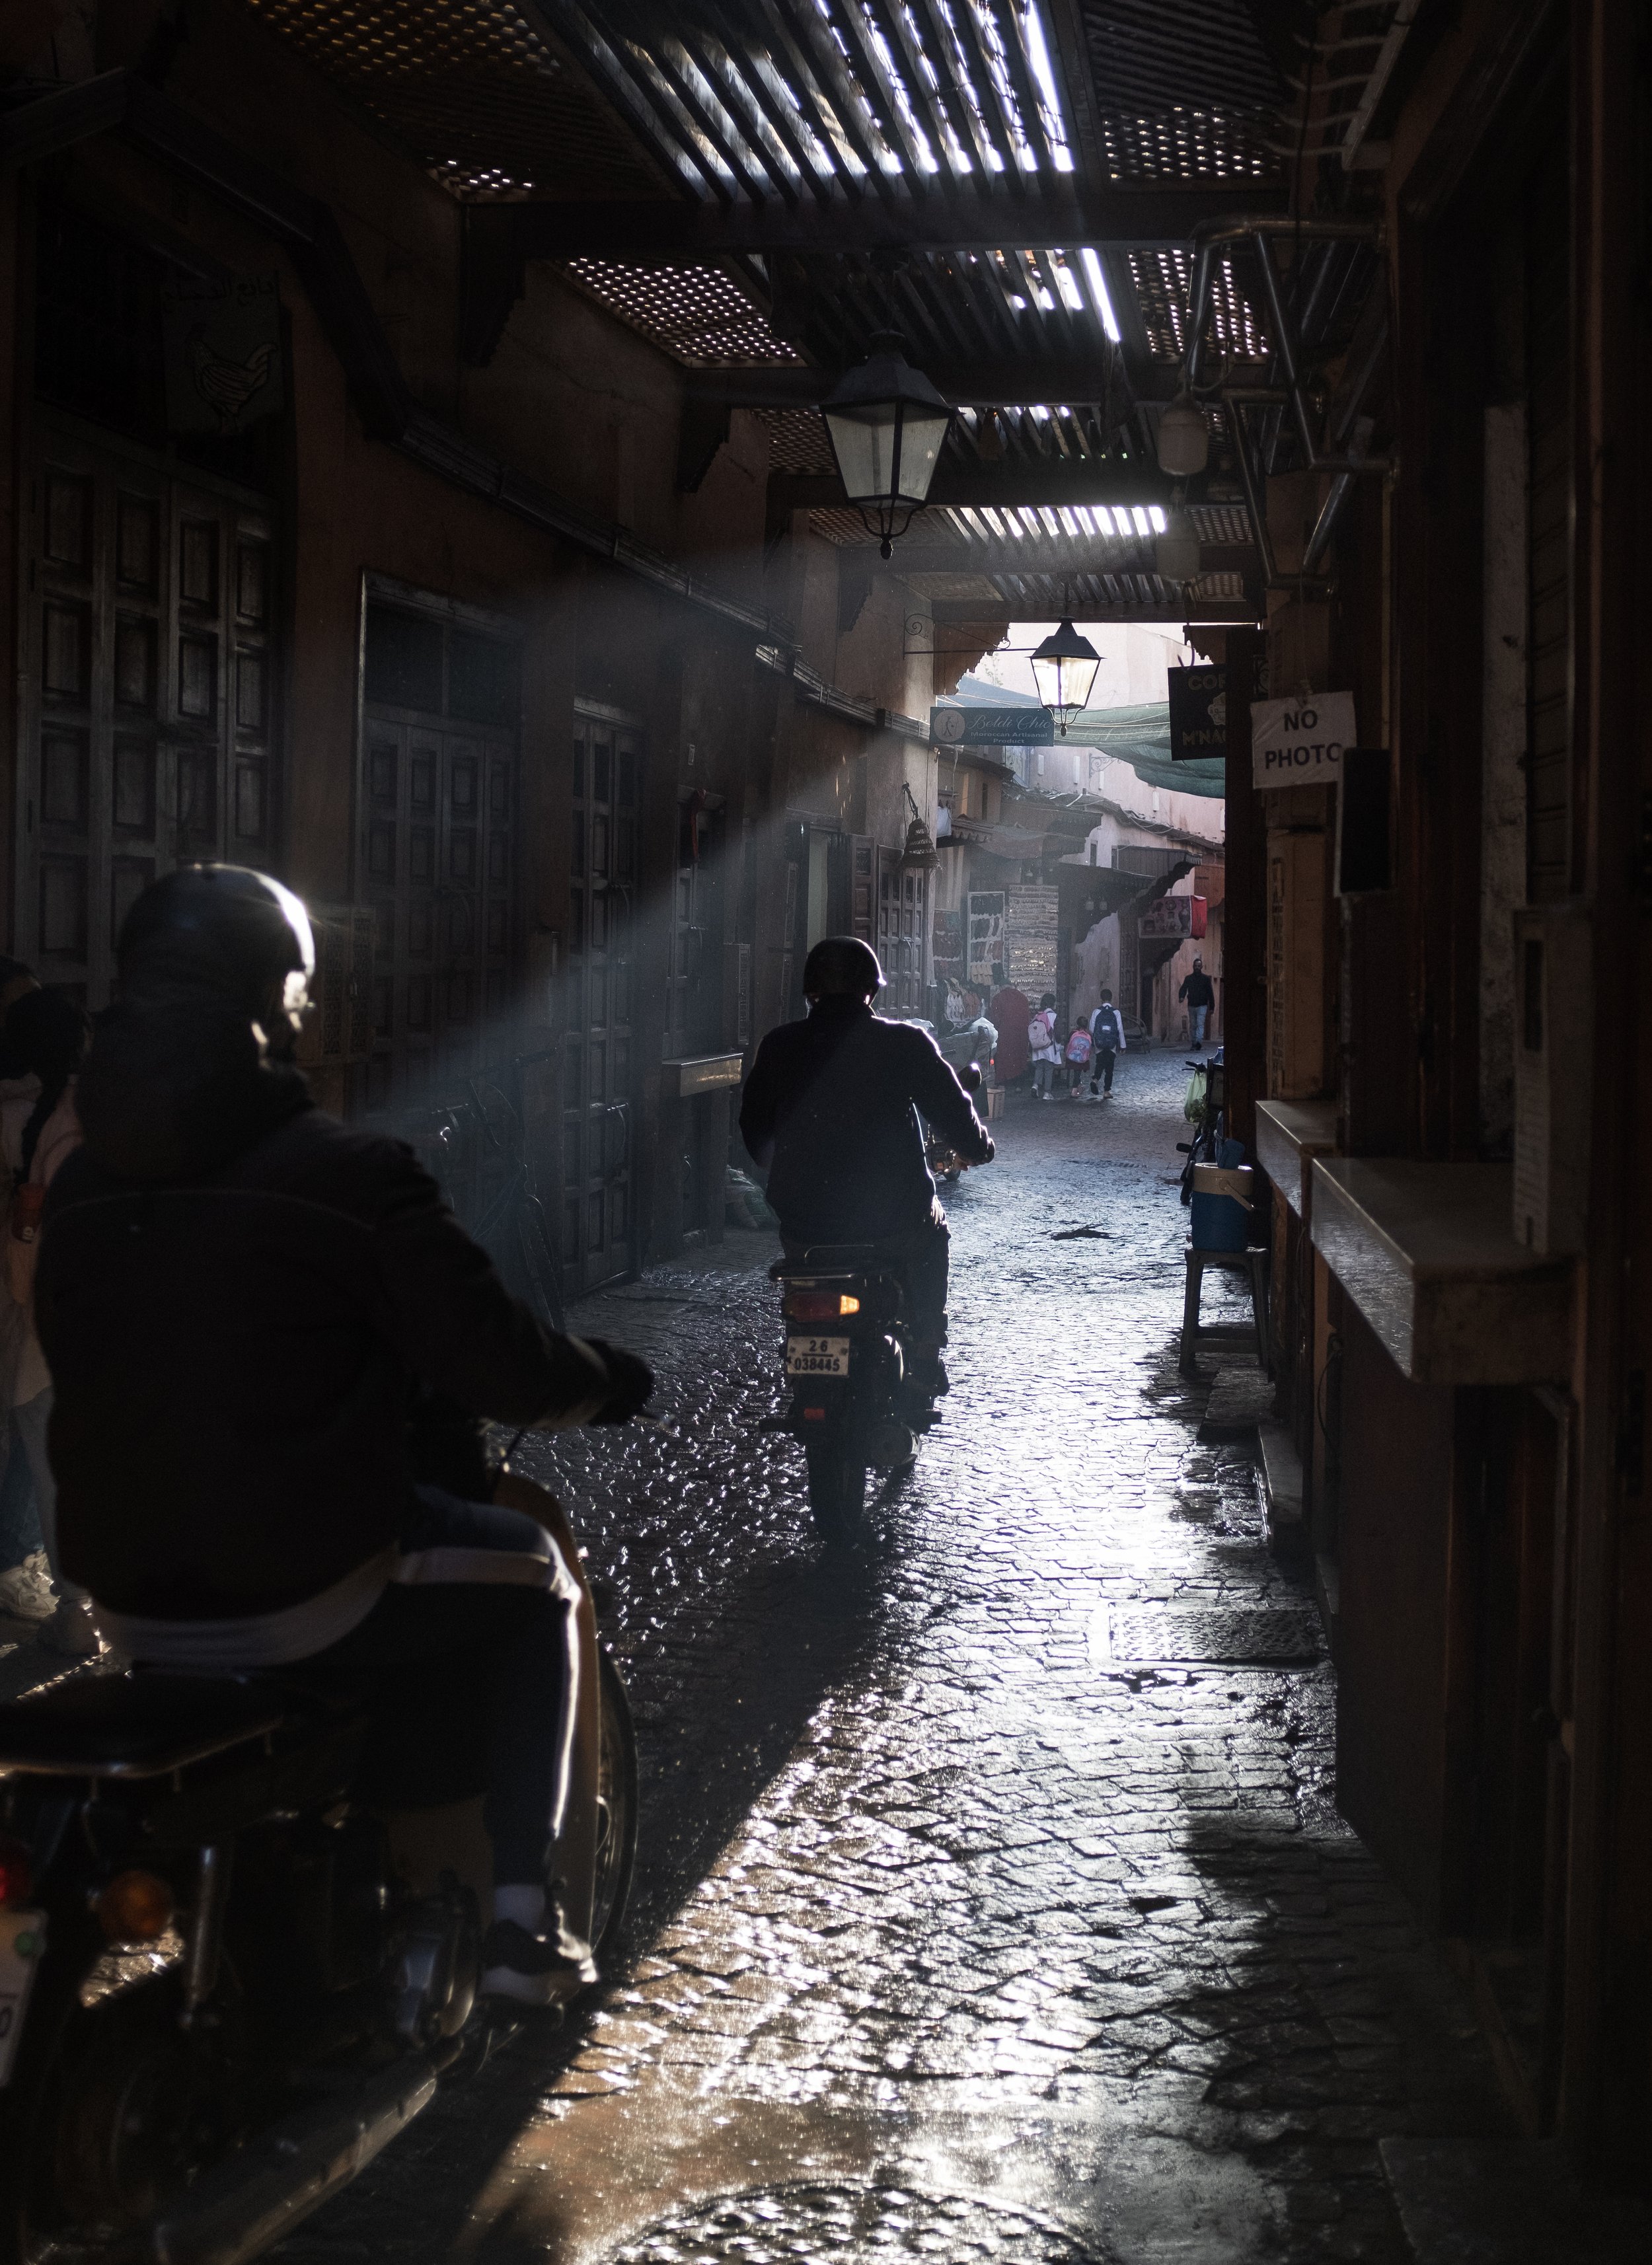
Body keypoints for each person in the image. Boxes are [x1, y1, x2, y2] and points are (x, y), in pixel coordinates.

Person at [36, 865, 654, 2007]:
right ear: (276, 1001)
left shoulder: (75, 1188)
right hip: (307, 1583)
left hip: (129, 1596)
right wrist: (611, 1380)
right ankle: (523, 1921)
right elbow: (496, 1362)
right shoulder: (351, 1176)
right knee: (534, 1581)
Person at [738, 935, 992, 1400]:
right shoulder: (904, 1043)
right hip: (893, 1219)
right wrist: (977, 1147)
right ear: (872, 990)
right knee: (934, 1236)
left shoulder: (779, 1045)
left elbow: (754, 1128)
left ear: (810, 991)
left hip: (805, 1223)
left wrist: (789, 1174)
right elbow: (951, 1109)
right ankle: (926, 1353)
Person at [3, 987, 96, 1654]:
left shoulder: (28, 1116)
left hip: (32, 1323)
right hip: (59, 1325)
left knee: (44, 1465)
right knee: (60, 1471)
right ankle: (71, 1607)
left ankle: (54, 1592)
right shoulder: (73, 1121)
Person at [1090, 989, 1125, 1098]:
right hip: (1112, 1045)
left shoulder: (1096, 1012)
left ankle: (1095, 1080)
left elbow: (1092, 1029)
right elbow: (1120, 1030)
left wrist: (1093, 1042)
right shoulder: (1116, 1012)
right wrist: (1123, 1045)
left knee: (1100, 1063)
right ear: (1111, 999)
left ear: (1101, 999)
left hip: (1099, 1044)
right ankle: (1106, 1091)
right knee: (1110, 1068)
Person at [1028, 992, 1061, 1099]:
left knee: (1039, 1068)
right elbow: (1058, 1033)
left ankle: (1035, 1086)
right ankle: (1047, 1093)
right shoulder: (1054, 1016)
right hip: (1049, 1047)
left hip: (1038, 1047)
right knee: (1049, 1069)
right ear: (1053, 1004)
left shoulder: (1037, 1016)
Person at [1179, 956, 1215, 1051]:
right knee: (1193, 1024)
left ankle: (1198, 1042)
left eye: (1199, 966)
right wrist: (1181, 997)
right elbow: (1183, 988)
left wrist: (1212, 1007)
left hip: (1202, 1005)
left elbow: (1210, 992)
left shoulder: (1206, 979)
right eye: (1196, 966)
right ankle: (1194, 1042)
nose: (1197, 967)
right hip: (1192, 1005)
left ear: (1201, 967)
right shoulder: (1189, 978)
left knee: (1200, 1024)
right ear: (1193, 966)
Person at [1064, 1017, 1092, 1097]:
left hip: (1071, 1057)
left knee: (1076, 1073)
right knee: (1078, 1073)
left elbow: (1067, 1042)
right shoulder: (1088, 1035)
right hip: (1082, 1058)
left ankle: (1078, 1086)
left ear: (1077, 1024)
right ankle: (1074, 1090)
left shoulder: (1073, 1033)